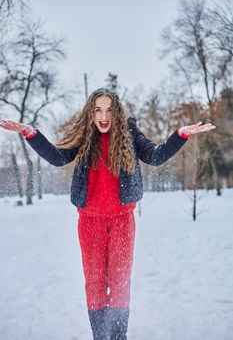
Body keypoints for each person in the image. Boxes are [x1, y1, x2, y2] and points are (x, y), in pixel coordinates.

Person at [0, 87, 216, 339]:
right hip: (89, 222)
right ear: (91, 112)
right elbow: (58, 158)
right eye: (98, 110)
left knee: (120, 281)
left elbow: (155, 157)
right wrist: (30, 132)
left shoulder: (130, 133)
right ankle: (101, 335)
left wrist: (180, 135)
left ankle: (118, 336)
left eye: (110, 110)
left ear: (118, 112)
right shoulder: (83, 135)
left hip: (122, 221)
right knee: (94, 283)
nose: (104, 116)